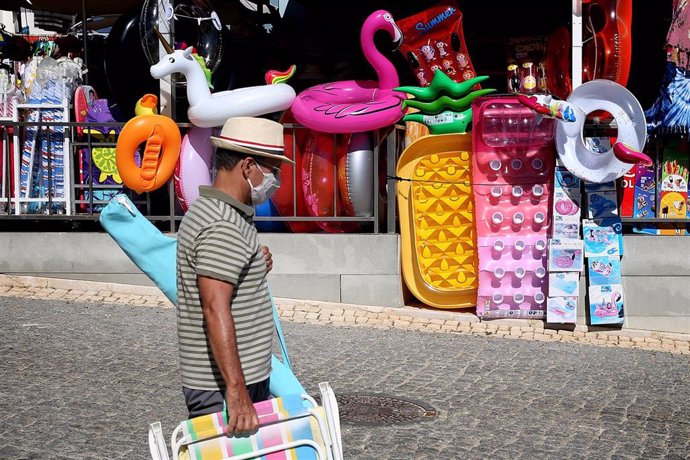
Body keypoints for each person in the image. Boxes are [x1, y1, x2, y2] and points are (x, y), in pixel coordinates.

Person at [175, 117, 293, 436]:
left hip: (234, 380)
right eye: (273, 170)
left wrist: (254, 262)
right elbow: (215, 308)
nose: (276, 180)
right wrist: (237, 391)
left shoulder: (217, 213)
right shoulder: (222, 226)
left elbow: (223, 277)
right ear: (248, 166)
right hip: (223, 391)